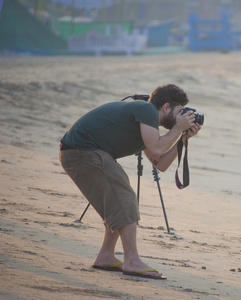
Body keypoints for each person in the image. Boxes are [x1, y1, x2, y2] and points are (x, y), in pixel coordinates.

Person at [59, 84, 201, 280]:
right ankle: (132, 260)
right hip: (82, 151)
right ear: (166, 107)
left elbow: (160, 163)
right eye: (180, 112)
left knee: (119, 198)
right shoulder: (146, 109)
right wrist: (177, 128)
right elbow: (158, 149)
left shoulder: (146, 121)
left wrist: (182, 138)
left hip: (84, 152)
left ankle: (106, 256)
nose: (182, 117)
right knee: (124, 197)